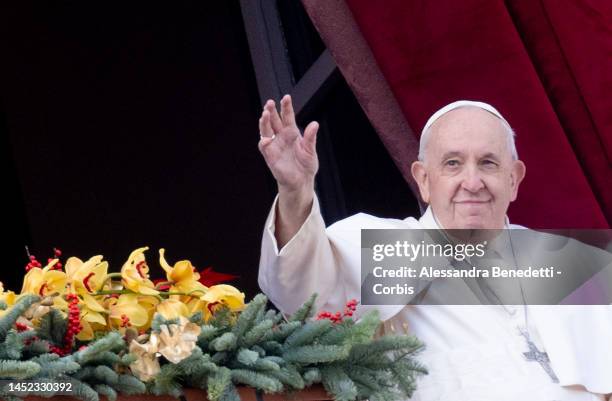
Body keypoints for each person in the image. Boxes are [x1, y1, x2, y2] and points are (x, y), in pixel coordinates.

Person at [256, 95, 612, 400]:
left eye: (488, 163)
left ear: (513, 179)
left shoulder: (574, 261)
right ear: (424, 180)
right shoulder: (386, 250)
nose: (472, 182)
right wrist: (295, 193)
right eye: (453, 164)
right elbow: (303, 293)